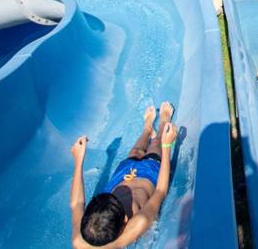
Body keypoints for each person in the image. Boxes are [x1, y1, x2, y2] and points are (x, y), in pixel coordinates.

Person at [71, 103, 178, 248]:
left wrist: (78, 161)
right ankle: (162, 126)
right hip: (149, 176)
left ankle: (146, 129)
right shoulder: (138, 224)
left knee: (136, 152)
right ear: (126, 220)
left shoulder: (80, 239)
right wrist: (166, 147)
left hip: (121, 176)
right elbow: (160, 191)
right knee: (156, 146)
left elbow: (77, 204)